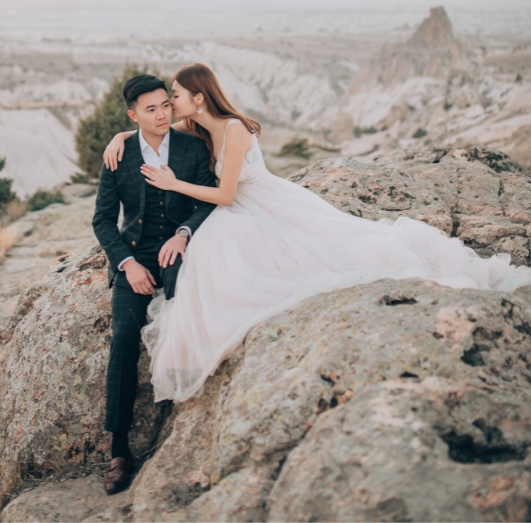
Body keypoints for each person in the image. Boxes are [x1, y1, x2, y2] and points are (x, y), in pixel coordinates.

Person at [102, 63, 531, 408]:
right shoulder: (195, 131)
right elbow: (152, 135)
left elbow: (228, 194)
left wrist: (174, 185)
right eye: (162, 103)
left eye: (174, 97)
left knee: (303, 257)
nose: (169, 107)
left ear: (198, 97)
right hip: (232, 210)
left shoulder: (232, 129)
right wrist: (125, 134)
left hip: (258, 204)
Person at [90, 74, 219, 495]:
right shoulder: (119, 152)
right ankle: (120, 450)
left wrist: (183, 233)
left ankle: (194, 433)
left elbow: (206, 199)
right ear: (133, 116)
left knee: (187, 319)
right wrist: (126, 264)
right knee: (124, 338)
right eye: (151, 109)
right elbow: (103, 219)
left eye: (166, 104)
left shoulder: (192, 147)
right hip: (136, 256)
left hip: (183, 249)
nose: (163, 113)